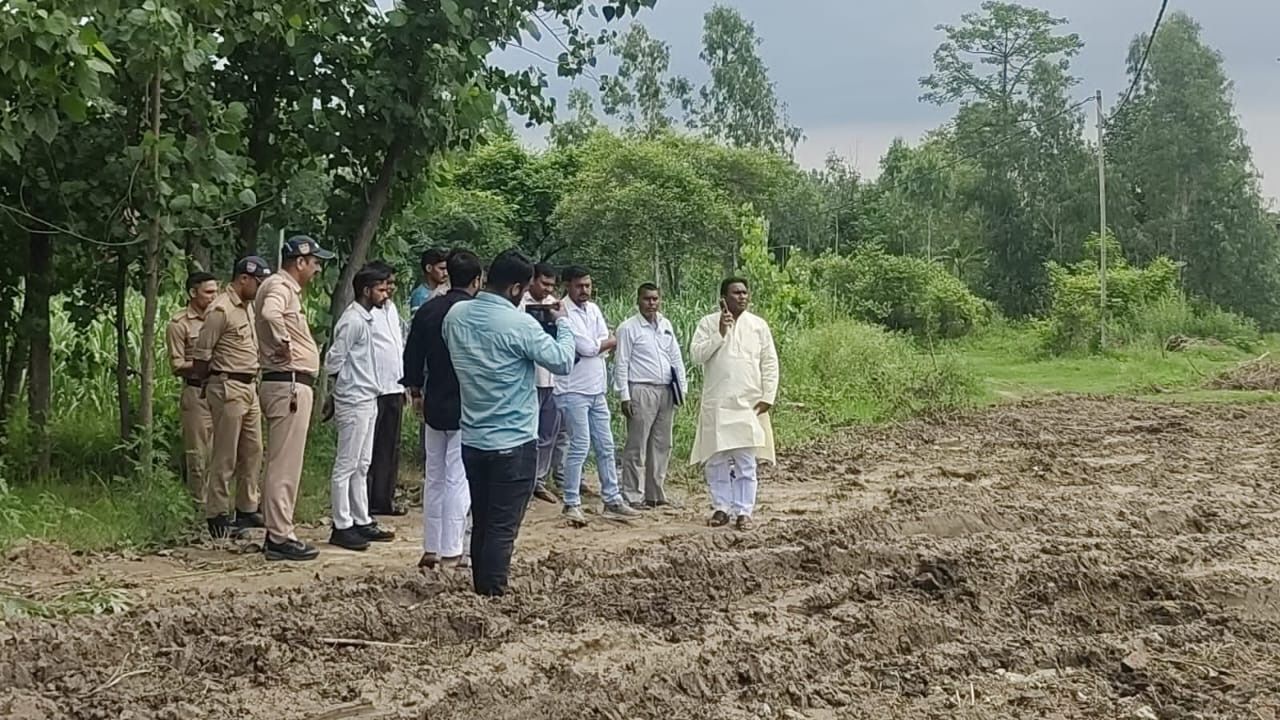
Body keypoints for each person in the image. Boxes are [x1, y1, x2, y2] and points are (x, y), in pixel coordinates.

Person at [443, 249, 575, 596]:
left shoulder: (455, 316)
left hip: (473, 437)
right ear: (516, 288)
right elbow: (562, 361)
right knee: (503, 526)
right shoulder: (520, 324)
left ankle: (481, 587)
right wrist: (562, 323)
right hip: (513, 440)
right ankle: (494, 593)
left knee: (483, 520)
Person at [403, 249, 483, 570]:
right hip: (467, 401)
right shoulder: (475, 313)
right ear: (477, 280)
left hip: (434, 398)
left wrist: (415, 390)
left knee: (435, 475)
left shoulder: (429, 309)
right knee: (457, 477)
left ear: (448, 273)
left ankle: (431, 547)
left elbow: (412, 354)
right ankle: (452, 550)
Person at [255, 235, 332, 561]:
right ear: (299, 262)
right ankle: (279, 535)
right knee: (284, 464)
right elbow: (271, 313)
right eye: (314, 262)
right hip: (288, 385)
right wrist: (284, 341)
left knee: (283, 461)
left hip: (288, 384)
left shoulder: (282, 287)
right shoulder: (280, 286)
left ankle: (278, 529)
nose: (317, 269)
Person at [191, 257, 272, 539]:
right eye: (258, 282)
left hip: (249, 385)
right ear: (243, 279)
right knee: (226, 453)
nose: (260, 288)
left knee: (253, 450)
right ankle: (217, 513)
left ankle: (247, 507)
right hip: (228, 384)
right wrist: (208, 384)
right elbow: (202, 353)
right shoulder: (221, 309)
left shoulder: (248, 308)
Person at [689, 278, 779, 531]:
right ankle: (721, 508)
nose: (742, 297)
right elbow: (696, 355)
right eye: (736, 293)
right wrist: (720, 332)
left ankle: (744, 511)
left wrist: (768, 396)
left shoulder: (758, 325)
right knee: (716, 460)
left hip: (748, 404)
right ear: (723, 298)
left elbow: (769, 362)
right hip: (717, 403)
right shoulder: (708, 323)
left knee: (745, 462)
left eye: (744, 292)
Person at [554, 266, 640, 525]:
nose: (585, 290)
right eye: (579, 285)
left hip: (596, 388)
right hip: (572, 389)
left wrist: (601, 345)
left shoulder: (593, 309)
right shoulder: (562, 311)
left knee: (606, 445)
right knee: (580, 446)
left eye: (588, 285)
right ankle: (571, 502)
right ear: (567, 285)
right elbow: (587, 347)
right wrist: (603, 344)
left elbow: (600, 345)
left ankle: (612, 499)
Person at [325, 264, 399, 551]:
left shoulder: (366, 318)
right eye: (380, 289)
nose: (385, 293)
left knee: (362, 463)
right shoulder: (353, 321)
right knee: (346, 464)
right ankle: (341, 524)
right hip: (354, 397)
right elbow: (334, 358)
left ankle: (361, 517)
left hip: (369, 396)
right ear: (367, 291)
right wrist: (339, 388)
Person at [615, 283, 688, 509]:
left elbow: (675, 357)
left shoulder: (665, 325)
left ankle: (655, 493)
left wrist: (682, 389)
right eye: (647, 299)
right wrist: (624, 395)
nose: (651, 303)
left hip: (666, 390)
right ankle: (632, 495)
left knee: (662, 444)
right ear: (638, 300)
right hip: (641, 389)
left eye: (655, 299)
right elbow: (621, 362)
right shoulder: (628, 328)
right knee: (637, 445)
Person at [166, 271, 219, 506]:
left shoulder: (221, 318)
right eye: (208, 292)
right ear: (192, 293)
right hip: (197, 391)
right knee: (198, 454)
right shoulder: (180, 324)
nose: (213, 296)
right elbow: (177, 365)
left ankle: (219, 505)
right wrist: (205, 363)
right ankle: (198, 504)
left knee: (222, 452)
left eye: (216, 291)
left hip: (222, 390)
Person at [365, 260, 407, 517]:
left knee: (390, 447)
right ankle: (365, 500)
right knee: (370, 446)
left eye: (392, 283)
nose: (389, 289)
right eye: (385, 284)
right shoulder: (364, 313)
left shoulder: (391, 310)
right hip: (374, 387)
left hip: (395, 385)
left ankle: (384, 498)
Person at [519, 262, 563, 504]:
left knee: (548, 433)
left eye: (551, 285)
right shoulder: (520, 304)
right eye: (544, 283)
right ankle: (523, 481)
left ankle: (540, 480)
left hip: (552, 379)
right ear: (533, 281)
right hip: (529, 379)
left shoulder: (555, 305)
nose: (547, 289)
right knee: (528, 433)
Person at [408, 247, 449, 317]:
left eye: (447, 269)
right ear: (429, 268)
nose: (446, 273)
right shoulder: (419, 295)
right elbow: (417, 319)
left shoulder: (446, 290)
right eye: (441, 269)